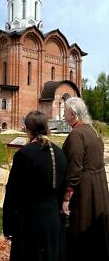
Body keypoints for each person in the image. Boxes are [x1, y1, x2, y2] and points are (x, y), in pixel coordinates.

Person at [3, 110, 67, 261]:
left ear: (27, 129)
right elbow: (62, 188)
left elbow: (13, 192)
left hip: (31, 222)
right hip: (53, 219)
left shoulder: (24, 154)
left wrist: (9, 225)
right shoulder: (59, 152)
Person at [62, 97, 109, 261]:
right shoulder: (93, 130)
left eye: (65, 112)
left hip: (86, 187)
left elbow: (74, 167)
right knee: (96, 225)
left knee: (81, 224)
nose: (63, 115)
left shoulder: (76, 134)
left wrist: (67, 196)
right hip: (99, 183)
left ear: (73, 114)